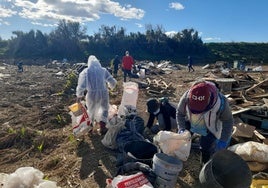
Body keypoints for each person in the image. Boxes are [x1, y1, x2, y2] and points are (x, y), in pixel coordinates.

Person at [176, 80, 234, 164]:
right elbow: (180, 113)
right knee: (182, 139)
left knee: (205, 147)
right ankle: (182, 156)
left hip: (210, 127)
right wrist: (181, 128)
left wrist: (223, 140)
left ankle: (203, 163)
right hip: (191, 121)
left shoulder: (221, 103)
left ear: (209, 102)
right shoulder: (186, 97)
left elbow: (228, 121)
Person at [76, 55, 117, 135]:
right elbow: (112, 81)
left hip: (92, 94)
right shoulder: (103, 70)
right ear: (98, 62)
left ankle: (90, 129)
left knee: (91, 111)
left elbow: (81, 85)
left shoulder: (86, 72)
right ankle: (103, 128)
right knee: (104, 109)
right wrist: (111, 86)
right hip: (103, 93)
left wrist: (79, 95)